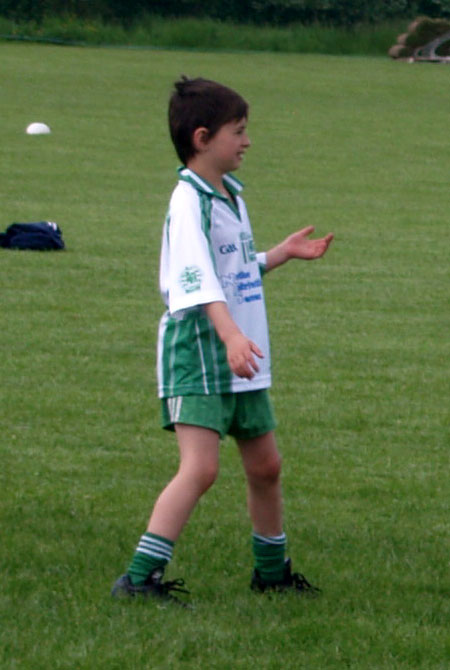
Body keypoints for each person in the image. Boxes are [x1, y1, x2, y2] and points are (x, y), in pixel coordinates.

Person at [112, 76, 333, 605]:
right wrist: (231, 335)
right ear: (203, 137)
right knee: (202, 467)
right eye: (239, 131)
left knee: (265, 466)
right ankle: (139, 579)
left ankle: (271, 573)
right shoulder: (189, 200)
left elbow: (229, 269)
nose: (247, 141)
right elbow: (195, 279)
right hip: (202, 347)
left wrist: (276, 255)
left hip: (239, 350)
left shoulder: (228, 195)